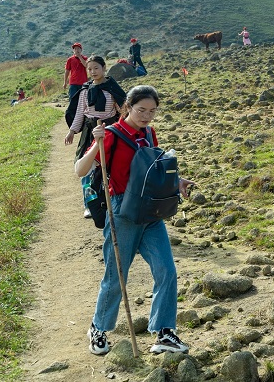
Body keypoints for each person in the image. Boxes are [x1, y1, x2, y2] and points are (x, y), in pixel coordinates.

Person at [73, 85, 194, 356]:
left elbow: (153, 169)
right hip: (122, 213)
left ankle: (164, 332)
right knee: (116, 276)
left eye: (152, 111)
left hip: (150, 212)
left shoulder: (150, 133)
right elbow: (80, 169)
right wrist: (96, 143)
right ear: (127, 107)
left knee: (166, 271)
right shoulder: (112, 135)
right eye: (141, 110)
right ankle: (98, 328)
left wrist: (177, 181)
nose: (147, 116)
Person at [65, 55, 127, 217]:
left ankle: (113, 202)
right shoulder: (85, 90)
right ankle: (89, 205)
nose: (93, 72)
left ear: (104, 68)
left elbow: (122, 110)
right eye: (89, 69)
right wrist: (72, 131)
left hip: (110, 131)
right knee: (87, 168)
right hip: (89, 132)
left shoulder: (112, 87)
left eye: (96, 68)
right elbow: (80, 113)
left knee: (112, 166)